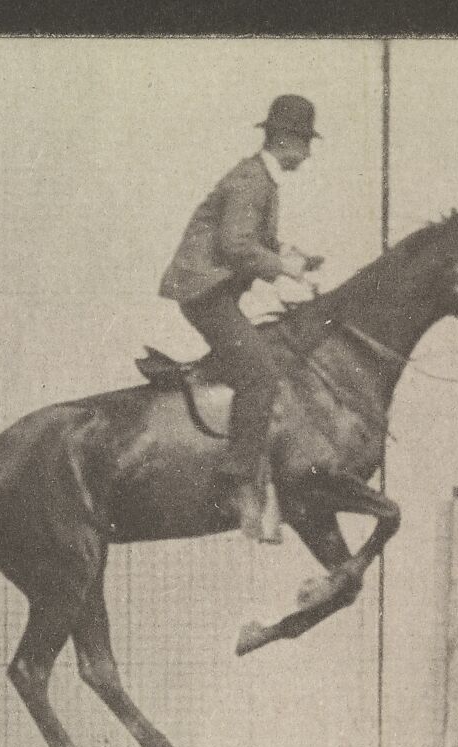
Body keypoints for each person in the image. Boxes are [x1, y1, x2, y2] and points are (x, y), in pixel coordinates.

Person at [159, 95, 323, 543]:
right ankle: (238, 482)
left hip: (215, 291)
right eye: (305, 144)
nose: (307, 156)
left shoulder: (262, 181)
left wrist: (294, 258)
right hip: (205, 292)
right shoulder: (252, 181)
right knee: (260, 375)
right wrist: (283, 268)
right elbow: (235, 246)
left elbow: (255, 240)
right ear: (285, 140)